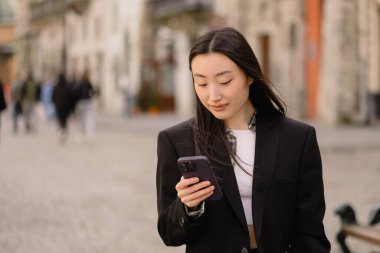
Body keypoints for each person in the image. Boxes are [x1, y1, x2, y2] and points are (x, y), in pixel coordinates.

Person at [156, 27, 331, 253]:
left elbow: (311, 234)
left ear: (249, 75)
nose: (213, 95)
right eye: (201, 83)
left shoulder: (298, 138)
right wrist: (189, 207)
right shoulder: (176, 140)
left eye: (225, 81)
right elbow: (169, 234)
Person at [52, 73, 75, 144]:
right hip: (66, 107)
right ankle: (63, 130)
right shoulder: (67, 87)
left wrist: (54, 103)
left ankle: (62, 130)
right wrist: (72, 108)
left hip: (59, 106)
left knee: (60, 119)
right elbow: (71, 98)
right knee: (64, 120)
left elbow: (53, 97)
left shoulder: (56, 87)